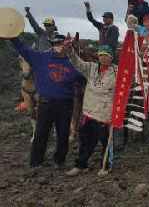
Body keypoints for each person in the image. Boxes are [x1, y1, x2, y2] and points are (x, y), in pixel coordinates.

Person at [10, 35, 85, 170]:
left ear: (67, 46)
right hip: (46, 103)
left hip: (66, 104)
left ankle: (59, 162)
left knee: (63, 135)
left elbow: (84, 77)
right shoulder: (40, 58)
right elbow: (24, 50)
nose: (58, 46)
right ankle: (35, 163)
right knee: (41, 134)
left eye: (61, 43)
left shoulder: (73, 63)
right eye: (55, 43)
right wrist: (13, 38)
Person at [65, 45, 117, 177]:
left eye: (106, 55)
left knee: (106, 142)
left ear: (110, 57)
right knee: (85, 141)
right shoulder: (91, 68)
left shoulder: (118, 72)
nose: (103, 57)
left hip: (105, 115)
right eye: (101, 55)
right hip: (89, 113)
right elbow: (78, 63)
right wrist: (70, 51)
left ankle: (105, 166)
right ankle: (81, 165)